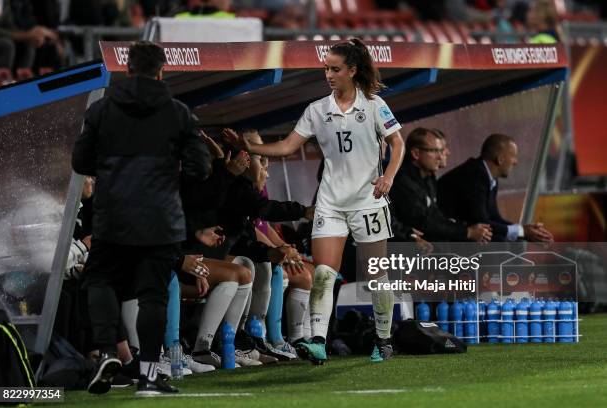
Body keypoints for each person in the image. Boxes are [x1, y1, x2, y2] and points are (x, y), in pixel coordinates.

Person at [224, 38, 405, 364]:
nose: (329, 75)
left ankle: (384, 339)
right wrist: (248, 148)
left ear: (352, 70)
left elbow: (398, 144)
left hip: (368, 201)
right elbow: (286, 147)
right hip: (331, 203)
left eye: (335, 69)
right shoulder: (317, 110)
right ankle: (318, 339)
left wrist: (388, 176)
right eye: (326, 69)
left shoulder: (375, 105)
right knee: (324, 270)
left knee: (376, 273)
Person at [72, 41, 211, 396]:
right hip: (160, 218)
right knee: (153, 297)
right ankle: (149, 376)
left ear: (128, 70)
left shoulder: (101, 110)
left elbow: (80, 162)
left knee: (99, 280)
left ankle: (107, 351)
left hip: (112, 215)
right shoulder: (178, 113)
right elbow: (200, 167)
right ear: (162, 71)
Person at [437, 133, 554, 243]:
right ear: (500, 159)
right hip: (445, 240)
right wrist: (522, 232)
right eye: (513, 157)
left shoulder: (489, 176)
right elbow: (482, 222)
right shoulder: (474, 175)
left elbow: (494, 217)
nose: (516, 162)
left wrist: (523, 229)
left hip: (462, 235)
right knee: (502, 241)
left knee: (513, 240)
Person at [390, 127, 492, 243]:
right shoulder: (402, 180)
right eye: (435, 151)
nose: (442, 155)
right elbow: (423, 222)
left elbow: (435, 215)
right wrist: (467, 232)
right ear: (416, 153)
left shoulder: (428, 178)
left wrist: (462, 228)